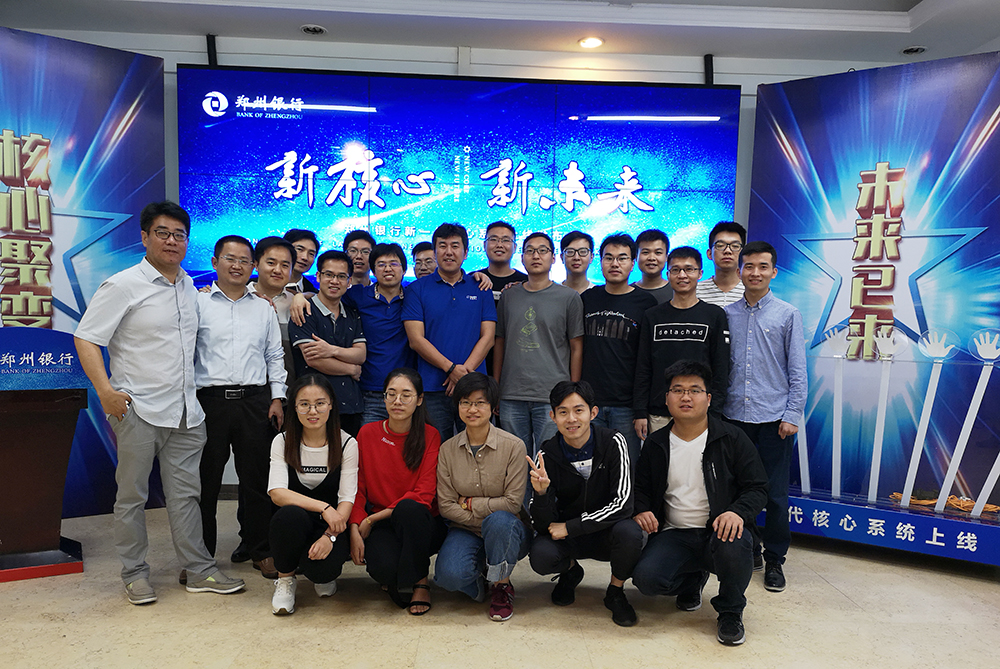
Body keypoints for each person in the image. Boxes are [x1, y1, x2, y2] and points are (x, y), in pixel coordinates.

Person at [74, 201, 244, 604]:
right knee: (131, 497)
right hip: (138, 410)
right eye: (163, 233)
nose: (171, 241)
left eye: (179, 235)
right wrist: (105, 392)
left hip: (186, 413)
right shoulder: (123, 285)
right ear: (145, 237)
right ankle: (134, 573)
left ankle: (199, 570)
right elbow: (86, 338)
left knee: (186, 496)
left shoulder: (188, 286)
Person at [631, 360, 768, 646]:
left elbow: (757, 487)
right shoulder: (656, 443)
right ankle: (692, 580)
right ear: (666, 398)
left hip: (719, 531)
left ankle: (730, 611)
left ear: (708, 398)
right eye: (678, 390)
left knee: (735, 543)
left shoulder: (731, 438)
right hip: (674, 534)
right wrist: (642, 509)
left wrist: (736, 512)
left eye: (694, 390)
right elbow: (641, 487)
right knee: (646, 580)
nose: (686, 397)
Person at [195, 235, 287, 581]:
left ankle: (261, 550)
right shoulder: (197, 303)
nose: (237, 265)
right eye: (229, 258)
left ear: (252, 266)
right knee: (205, 483)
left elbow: (274, 355)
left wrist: (277, 397)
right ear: (215, 261)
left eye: (244, 260)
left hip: (255, 401)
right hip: (209, 403)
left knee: (257, 482)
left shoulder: (263, 307)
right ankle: (200, 557)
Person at [723, 241, 806, 592]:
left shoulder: (788, 314)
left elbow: (797, 370)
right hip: (733, 417)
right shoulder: (726, 314)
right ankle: (750, 548)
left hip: (774, 419)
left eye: (762, 266)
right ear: (740, 270)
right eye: (749, 266)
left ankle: (775, 560)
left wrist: (792, 414)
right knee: (737, 490)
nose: (755, 273)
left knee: (774, 494)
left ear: (774, 271)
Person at [527, 380, 643, 627]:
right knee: (541, 555)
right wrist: (541, 493)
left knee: (631, 533)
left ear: (593, 412)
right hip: (569, 539)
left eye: (578, 410)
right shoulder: (547, 454)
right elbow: (540, 524)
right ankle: (570, 572)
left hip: (604, 531)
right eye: (563, 412)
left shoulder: (613, 442)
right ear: (552, 416)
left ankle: (615, 591)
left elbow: (623, 503)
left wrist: (572, 526)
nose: (571, 419)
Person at [434, 373, 530, 621]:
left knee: (499, 521)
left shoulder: (514, 446)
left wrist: (469, 503)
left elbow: (512, 503)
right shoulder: (447, 450)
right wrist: (481, 519)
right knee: (447, 577)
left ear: (492, 406)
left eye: (480, 403)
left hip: (507, 529)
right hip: (464, 529)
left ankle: (501, 586)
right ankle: (482, 580)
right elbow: (446, 506)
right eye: (465, 402)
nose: (472, 409)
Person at [350, 368, 445, 614]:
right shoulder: (367, 433)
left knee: (409, 508)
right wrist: (355, 526)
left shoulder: (430, 435)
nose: (397, 401)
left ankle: (421, 582)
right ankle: (398, 572)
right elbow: (357, 487)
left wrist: (371, 519)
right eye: (391, 394)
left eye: (406, 395)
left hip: (421, 522)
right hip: (384, 523)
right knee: (382, 569)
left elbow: (424, 495)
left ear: (419, 399)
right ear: (383, 398)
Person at [267, 374, 358, 615]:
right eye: (304, 404)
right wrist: (324, 507)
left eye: (320, 403)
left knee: (322, 573)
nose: (312, 411)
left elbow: (346, 500)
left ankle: (320, 571)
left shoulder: (347, 443)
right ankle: (285, 579)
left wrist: (329, 536)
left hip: (331, 527)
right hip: (296, 523)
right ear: (294, 407)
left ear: (331, 405)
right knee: (288, 516)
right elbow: (277, 493)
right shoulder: (282, 441)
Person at [403, 223, 497, 440]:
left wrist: (462, 375)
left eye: (455, 246)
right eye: (442, 246)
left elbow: (488, 337)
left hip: (475, 387)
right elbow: (416, 339)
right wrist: (451, 369)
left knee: (478, 446)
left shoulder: (481, 287)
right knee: (436, 448)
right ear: (435, 251)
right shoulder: (417, 289)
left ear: (466, 252)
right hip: (433, 387)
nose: (448, 252)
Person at [495, 231, 583, 461]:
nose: (536, 256)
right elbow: (499, 342)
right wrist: (496, 386)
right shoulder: (509, 296)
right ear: (521, 257)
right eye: (530, 251)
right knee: (514, 462)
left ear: (553, 258)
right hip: (511, 394)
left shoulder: (569, 297)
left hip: (552, 394)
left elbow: (576, 347)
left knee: (550, 460)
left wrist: (572, 391)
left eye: (543, 251)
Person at [633, 246, 730, 441]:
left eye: (689, 269)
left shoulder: (715, 315)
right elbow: (643, 366)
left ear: (700, 274)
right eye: (676, 270)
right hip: (658, 413)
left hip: (701, 413)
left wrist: (714, 412)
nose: (682, 275)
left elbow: (721, 368)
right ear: (668, 274)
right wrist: (640, 411)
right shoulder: (652, 316)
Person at [581, 233, 656, 466]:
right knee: (591, 468)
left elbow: (646, 360)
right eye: (609, 257)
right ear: (600, 261)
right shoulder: (587, 298)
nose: (615, 264)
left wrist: (640, 409)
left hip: (626, 405)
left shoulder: (646, 303)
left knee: (626, 467)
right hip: (590, 402)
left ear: (632, 263)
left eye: (622, 258)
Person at [287, 250, 366, 435]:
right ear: (318, 276)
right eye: (329, 274)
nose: (334, 281)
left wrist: (331, 350)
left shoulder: (352, 313)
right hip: (313, 407)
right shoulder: (304, 311)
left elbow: (360, 354)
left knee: (348, 453)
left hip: (351, 405)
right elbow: (314, 359)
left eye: (341, 276)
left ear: (349, 281)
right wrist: (351, 369)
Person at [477, 221, 528, 377]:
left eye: (506, 240)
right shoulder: (473, 280)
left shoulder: (526, 282)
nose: (499, 245)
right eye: (493, 239)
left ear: (515, 247)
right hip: (476, 360)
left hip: (516, 361)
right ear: (484, 245)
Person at [249, 236, 298, 383]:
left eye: (285, 265)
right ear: (256, 264)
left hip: (288, 388)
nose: (277, 270)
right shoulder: (238, 298)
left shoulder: (297, 304)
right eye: (271, 263)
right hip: (246, 388)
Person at [697, 222, 747, 307]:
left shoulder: (751, 291)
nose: (727, 251)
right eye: (720, 245)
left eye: (735, 246)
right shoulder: (695, 292)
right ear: (709, 254)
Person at [632, 229, 673, 304]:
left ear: (666, 257)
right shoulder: (627, 292)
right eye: (645, 252)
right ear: (636, 257)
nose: (651, 258)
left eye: (658, 252)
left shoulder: (677, 292)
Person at [283, 229, 319, 293]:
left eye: (311, 254)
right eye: (299, 249)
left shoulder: (314, 295)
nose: (305, 258)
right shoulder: (264, 284)